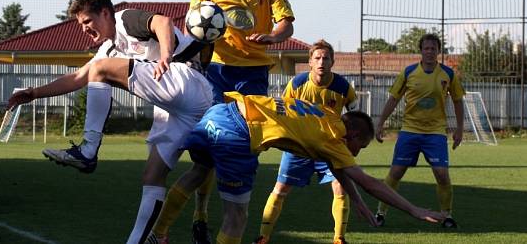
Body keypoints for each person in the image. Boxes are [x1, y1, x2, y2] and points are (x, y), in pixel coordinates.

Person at [6, 0, 214, 244]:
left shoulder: (124, 19)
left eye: (87, 22)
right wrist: (34, 93)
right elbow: (79, 77)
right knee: (152, 176)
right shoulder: (109, 48)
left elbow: (163, 22)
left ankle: (88, 150)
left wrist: (167, 56)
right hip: (178, 108)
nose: (84, 29)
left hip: (186, 79)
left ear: (105, 13)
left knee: (100, 69)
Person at [155, 0, 295, 244]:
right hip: (218, 73)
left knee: (241, 152)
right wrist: (202, 31)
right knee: (208, 154)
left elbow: (286, 22)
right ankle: (199, 215)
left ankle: (200, 220)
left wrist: (275, 37)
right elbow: (192, 23)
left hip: (255, 78)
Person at [152, 92, 445, 244]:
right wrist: (415, 210)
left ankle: (159, 233)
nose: (355, 152)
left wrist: (357, 202)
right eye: (360, 147)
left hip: (220, 112)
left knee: (197, 174)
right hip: (238, 132)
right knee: (237, 216)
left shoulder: (326, 117)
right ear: (353, 136)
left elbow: (339, 168)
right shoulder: (334, 137)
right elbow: (369, 181)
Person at [254, 40, 358, 244]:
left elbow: (355, 117)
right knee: (280, 188)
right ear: (310, 62)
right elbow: (283, 110)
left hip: (328, 148)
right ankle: (263, 237)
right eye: (317, 58)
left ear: (333, 62)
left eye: (326, 58)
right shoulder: (297, 84)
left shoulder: (343, 87)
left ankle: (339, 239)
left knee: (340, 187)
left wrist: (351, 137)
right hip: (299, 147)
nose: (321, 62)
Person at [374, 33, 464, 228]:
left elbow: (458, 101)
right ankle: (380, 213)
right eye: (426, 48)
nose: (430, 52)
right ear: (421, 51)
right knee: (396, 173)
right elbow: (393, 99)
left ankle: (447, 215)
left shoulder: (448, 74)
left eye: (433, 48)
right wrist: (380, 123)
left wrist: (460, 128)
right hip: (410, 131)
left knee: (442, 175)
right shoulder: (408, 72)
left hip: (436, 133)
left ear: (438, 51)